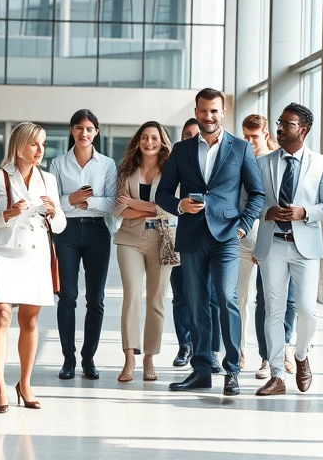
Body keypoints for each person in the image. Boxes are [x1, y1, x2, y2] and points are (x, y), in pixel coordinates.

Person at [157, 88, 265, 396]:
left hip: (227, 237)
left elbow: (256, 194)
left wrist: (243, 227)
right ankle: (202, 370)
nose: (209, 117)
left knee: (226, 299)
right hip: (192, 236)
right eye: (203, 111)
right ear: (196, 110)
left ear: (223, 111)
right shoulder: (181, 149)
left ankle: (231, 370)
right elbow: (163, 192)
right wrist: (179, 205)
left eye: (214, 111)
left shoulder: (240, 148)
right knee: (196, 303)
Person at [0, 123, 67, 412]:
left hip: (35, 255)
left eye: (42, 144)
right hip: (3, 254)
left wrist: (54, 213)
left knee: (29, 321)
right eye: (34, 144)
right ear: (19, 146)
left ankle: (24, 383)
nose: (40, 150)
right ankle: (0, 385)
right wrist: (7, 213)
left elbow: (61, 225)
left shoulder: (49, 180)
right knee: (1, 315)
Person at [252, 104, 323, 395]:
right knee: (273, 311)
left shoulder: (321, 163)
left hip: (305, 247)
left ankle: (301, 355)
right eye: (279, 122)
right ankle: (277, 374)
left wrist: (305, 212)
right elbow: (247, 202)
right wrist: (267, 212)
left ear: (303, 129)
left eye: (286, 124)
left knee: (306, 310)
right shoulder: (262, 163)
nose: (279, 128)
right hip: (272, 244)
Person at [49, 109, 117, 381]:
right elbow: (51, 202)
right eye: (79, 128)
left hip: (97, 232)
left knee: (96, 299)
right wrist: (71, 199)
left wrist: (85, 202)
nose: (84, 133)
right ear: (71, 130)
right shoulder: (57, 163)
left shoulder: (107, 164)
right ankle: (68, 359)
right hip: (65, 232)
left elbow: (113, 202)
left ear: (96, 132)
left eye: (89, 129)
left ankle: (89, 359)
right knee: (67, 296)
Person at [113, 122, 177, 383]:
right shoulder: (126, 169)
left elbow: (172, 209)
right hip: (129, 238)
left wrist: (138, 205)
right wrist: (152, 207)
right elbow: (118, 210)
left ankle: (150, 356)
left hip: (163, 240)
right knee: (132, 296)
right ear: (138, 141)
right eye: (144, 138)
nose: (149, 142)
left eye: (154, 138)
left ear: (162, 142)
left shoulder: (173, 171)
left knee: (156, 300)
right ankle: (129, 356)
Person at [240, 114, 297, 378]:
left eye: (254, 136)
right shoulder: (243, 160)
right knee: (262, 301)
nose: (250, 141)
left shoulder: (281, 161)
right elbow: (243, 201)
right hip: (251, 237)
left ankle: (284, 345)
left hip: (282, 239)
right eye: (246, 136)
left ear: (266, 135)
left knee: (287, 299)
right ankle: (266, 358)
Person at [169, 119, 223, 372]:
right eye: (188, 134)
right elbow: (165, 193)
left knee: (211, 297)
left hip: (215, 236)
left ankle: (211, 350)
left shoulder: (217, 155)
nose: (194, 137)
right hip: (183, 235)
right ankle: (186, 343)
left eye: (195, 134)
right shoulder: (179, 155)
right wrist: (180, 205)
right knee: (182, 295)